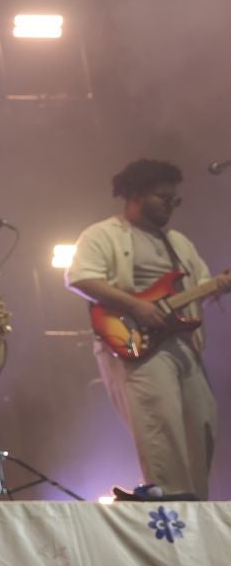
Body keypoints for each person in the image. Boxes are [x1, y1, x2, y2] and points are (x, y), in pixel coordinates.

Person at [66, 158, 223, 499]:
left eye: (175, 199)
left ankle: (196, 510)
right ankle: (171, 511)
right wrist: (136, 306)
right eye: (163, 197)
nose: (171, 205)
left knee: (202, 425)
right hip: (136, 342)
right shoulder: (102, 234)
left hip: (182, 344)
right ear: (135, 195)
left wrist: (218, 286)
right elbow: (80, 277)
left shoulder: (178, 242)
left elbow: (200, 285)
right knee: (160, 427)